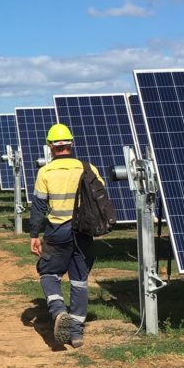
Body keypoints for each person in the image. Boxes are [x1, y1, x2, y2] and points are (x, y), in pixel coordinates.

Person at [29, 123, 104, 349]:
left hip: (57, 231)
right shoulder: (87, 167)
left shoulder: (46, 172)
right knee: (80, 280)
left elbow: (38, 206)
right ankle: (76, 333)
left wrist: (34, 234)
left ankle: (59, 311)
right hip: (83, 232)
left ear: (50, 147)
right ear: (71, 144)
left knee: (49, 272)